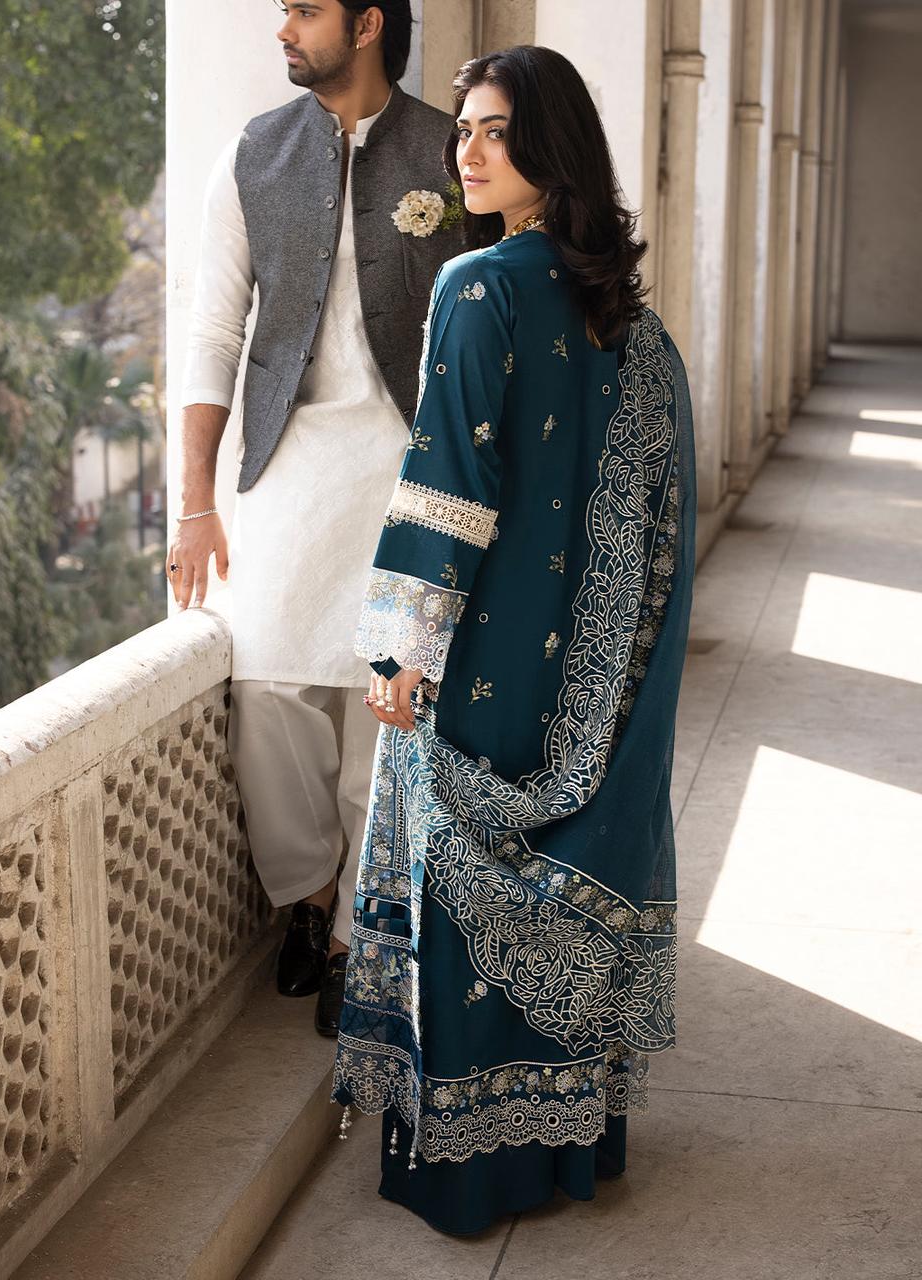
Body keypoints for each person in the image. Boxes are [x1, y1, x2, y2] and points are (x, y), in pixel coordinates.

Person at [332, 45, 696, 1234]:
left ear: (553, 149)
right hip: (589, 680)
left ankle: (470, 1174)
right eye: (465, 131)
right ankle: (564, 1149)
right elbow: (657, 524)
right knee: (554, 883)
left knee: (460, 906)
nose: (468, 152)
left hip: (484, 660)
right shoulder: (630, 322)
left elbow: (450, 478)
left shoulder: (477, 286)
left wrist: (402, 648)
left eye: (496, 131)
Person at [170, 0, 464, 1036]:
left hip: (412, 462)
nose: (283, 28)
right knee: (267, 682)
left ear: (368, 23)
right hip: (285, 463)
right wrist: (196, 501)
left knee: (387, 702)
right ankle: (305, 890)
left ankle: (352, 936)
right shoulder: (251, 153)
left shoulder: (451, 148)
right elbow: (213, 332)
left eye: (305, 9)